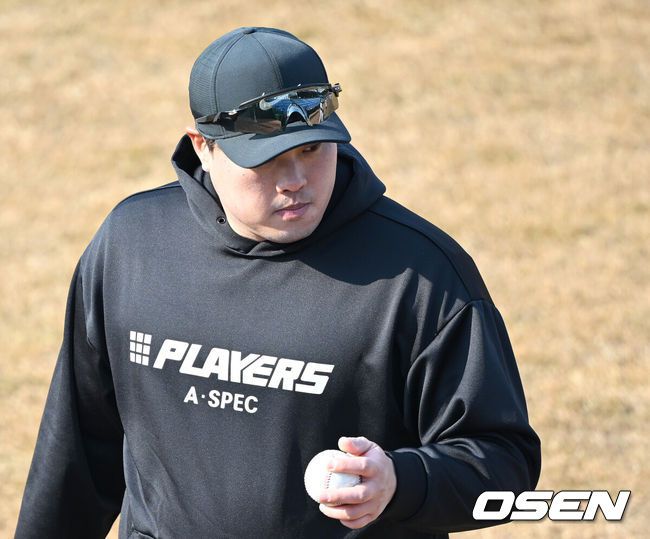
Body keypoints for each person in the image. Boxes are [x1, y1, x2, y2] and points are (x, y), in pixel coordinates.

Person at [15, 27, 541, 538]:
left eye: (311, 149)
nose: (295, 181)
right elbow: (79, 451)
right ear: (203, 147)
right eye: (265, 158)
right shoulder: (132, 245)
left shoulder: (419, 275)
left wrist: (401, 482)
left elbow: (503, 461)